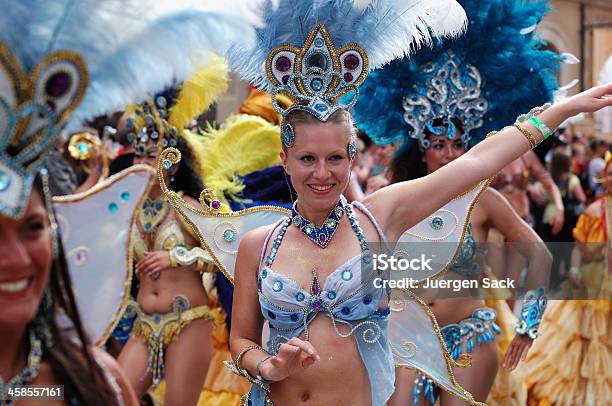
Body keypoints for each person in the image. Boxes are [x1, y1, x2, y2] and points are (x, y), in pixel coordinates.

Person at [217, 2, 612, 405]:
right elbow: (242, 341)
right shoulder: (259, 244)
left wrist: (562, 111)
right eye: (307, 159)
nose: (322, 173)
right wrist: (269, 366)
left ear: (352, 158)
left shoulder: (377, 217)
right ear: (284, 161)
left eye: (335, 158)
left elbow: (479, 161)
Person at [524, 153, 611, 405]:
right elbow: (578, 248)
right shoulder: (594, 211)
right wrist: (573, 270)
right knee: (583, 344)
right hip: (590, 287)